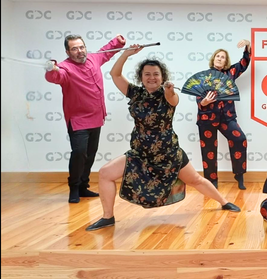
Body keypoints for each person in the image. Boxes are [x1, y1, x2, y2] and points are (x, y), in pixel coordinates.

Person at [85, 46, 240, 231]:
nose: (151, 77)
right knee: (105, 173)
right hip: (140, 153)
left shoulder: (168, 94)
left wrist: (169, 91)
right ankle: (107, 217)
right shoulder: (135, 93)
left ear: (162, 76)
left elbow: (173, 99)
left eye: (156, 74)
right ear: (141, 77)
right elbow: (115, 74)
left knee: (196, 180)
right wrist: (126, 54)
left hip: (168, 153)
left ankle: (224, 202)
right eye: (147, 74)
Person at [45, 33, 127, 203]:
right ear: (68, 52)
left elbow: (106, 51)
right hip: (78, 120)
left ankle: (83, 186)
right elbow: (55, 77)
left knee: (90, 154)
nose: (80, 51)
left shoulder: (94, 58)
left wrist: (117, 42)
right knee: (79, 153)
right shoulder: (64, 68)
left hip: (97, 116)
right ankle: (74, 187)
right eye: (74, 49)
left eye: (82, 47)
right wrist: (51, 69)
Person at [196, 39, 251, 190]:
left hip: (227, 117)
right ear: (213, 59)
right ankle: (211, 180)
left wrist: (248, 45)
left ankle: (239, 174)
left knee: (240, 139)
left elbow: (244, 63)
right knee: (208, 150)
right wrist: (204, 102)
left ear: (226, 61)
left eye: (223, 57)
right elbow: (198, 97)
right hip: (207, 118)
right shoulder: (204, 77)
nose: (220, 59)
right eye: (218, 56)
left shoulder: (230, 73)